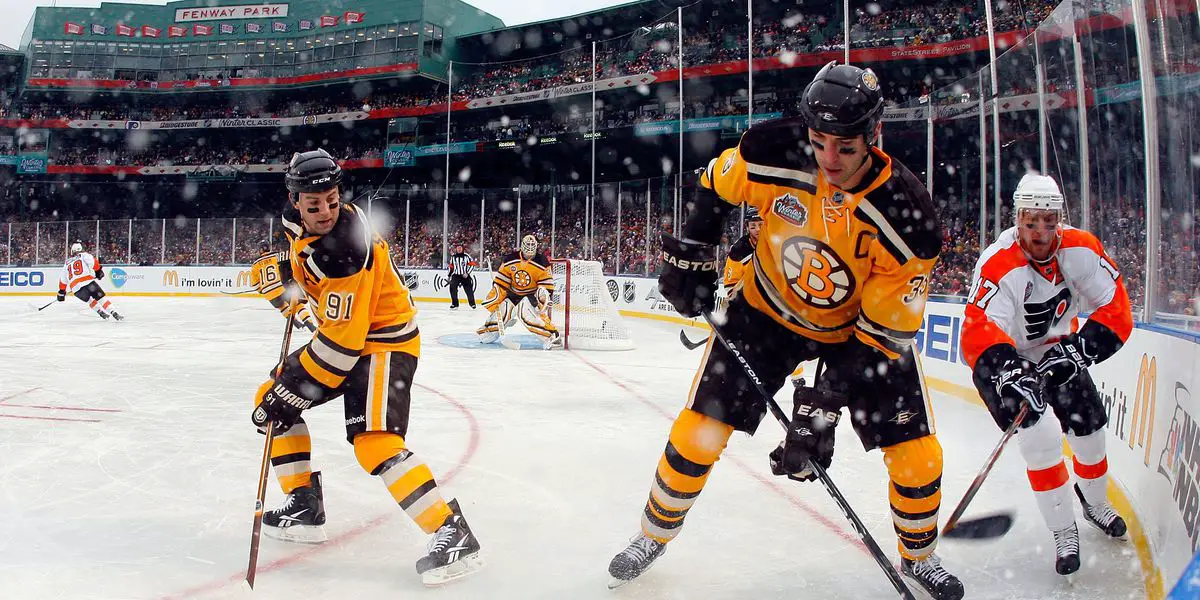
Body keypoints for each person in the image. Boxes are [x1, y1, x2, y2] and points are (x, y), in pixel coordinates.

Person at [607, 61, 964, 600]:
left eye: (845, 147)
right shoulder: (770, 149)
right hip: (766, 313)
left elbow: (882, 332)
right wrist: (694, 255)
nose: (829, 160)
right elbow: (714, 187)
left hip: (857, 334)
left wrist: (823, 409)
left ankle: (919, 556)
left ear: (875, 135)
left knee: (917, 455)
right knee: (697, 431)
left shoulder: (908, 217)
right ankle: (652, 536)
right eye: (819, 143)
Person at [251, 149, 482, 586]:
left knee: (374, 442)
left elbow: (343, 346)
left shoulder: (346, 250)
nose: (324, 211)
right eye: (314, 203)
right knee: (269, 401)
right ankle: (303, 505)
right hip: (348, 337)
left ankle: (451, 533)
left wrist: (290, 391)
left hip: (383, 344)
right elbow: (308, 270)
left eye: (333, 201)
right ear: (294, 198)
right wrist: (290, 283)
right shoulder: (296, 221)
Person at [961, 172, 1131, 575]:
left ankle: (1094, 502)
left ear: (1060, 219)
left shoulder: (1083, 249)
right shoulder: (998, 264)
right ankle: (1062, 530)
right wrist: (1009, 373)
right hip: (1007, 361)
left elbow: (1116, 308)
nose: (1039, 233)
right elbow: (977, 332)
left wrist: (1080, 349)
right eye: (1030, 222)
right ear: (1017, 219)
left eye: (1048, 222)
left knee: (1090, 433)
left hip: (1059, 349)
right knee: (1041, 440)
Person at [476, 234, 561, 349]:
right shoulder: (511, 259)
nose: (530, 250)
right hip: (513, 294)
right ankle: (489, 332)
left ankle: (552, 336)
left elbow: (546, 286)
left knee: (525, 313)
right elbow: (501, 283)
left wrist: (541, 301)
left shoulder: (542, 262)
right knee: (503, 310)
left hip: (531, 295)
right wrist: (497, 298)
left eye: (532, 246)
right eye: (528, 246)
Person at [249, 242, 317, 332]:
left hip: (269, 294)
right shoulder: (277, 256)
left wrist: (262, 290)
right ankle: (310, 324)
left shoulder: (255, 264)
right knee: (297, 305)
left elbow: (255, 284)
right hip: (282, 287)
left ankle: (297, 324)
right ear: (269, 248)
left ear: (260, 250)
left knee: (283, 307)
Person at [57, 241, 123, 321]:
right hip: (88, 283)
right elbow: (93, 262)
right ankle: (114, 312)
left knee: (89, 300)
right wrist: (98, 271)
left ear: (72, 251)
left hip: (76, 289)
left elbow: (63, 279)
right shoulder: (83, 255)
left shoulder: (66, 263)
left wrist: (61, 291)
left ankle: (100, 312)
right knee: (101, 298)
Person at [722, 207, 764, 298]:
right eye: (753, 226)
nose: (757, 229)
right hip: (748, 297)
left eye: (761, 225)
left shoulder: (776, 244)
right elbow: (730, 285)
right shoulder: (738, 250)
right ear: (747, 227)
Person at [447, 244, 478, 309]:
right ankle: (455, 304)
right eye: (458, 248)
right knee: (452, 288)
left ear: (462, 249)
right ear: (456, 249)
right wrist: (449, 275)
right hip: (456, 275)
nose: (459, 249)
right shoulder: (453, 257)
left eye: (460, 248)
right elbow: (451, 267)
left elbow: (472, 265)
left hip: (465, 276)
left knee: (469, 290)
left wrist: (467, 273)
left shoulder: (467, 256)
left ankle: (472, 304)